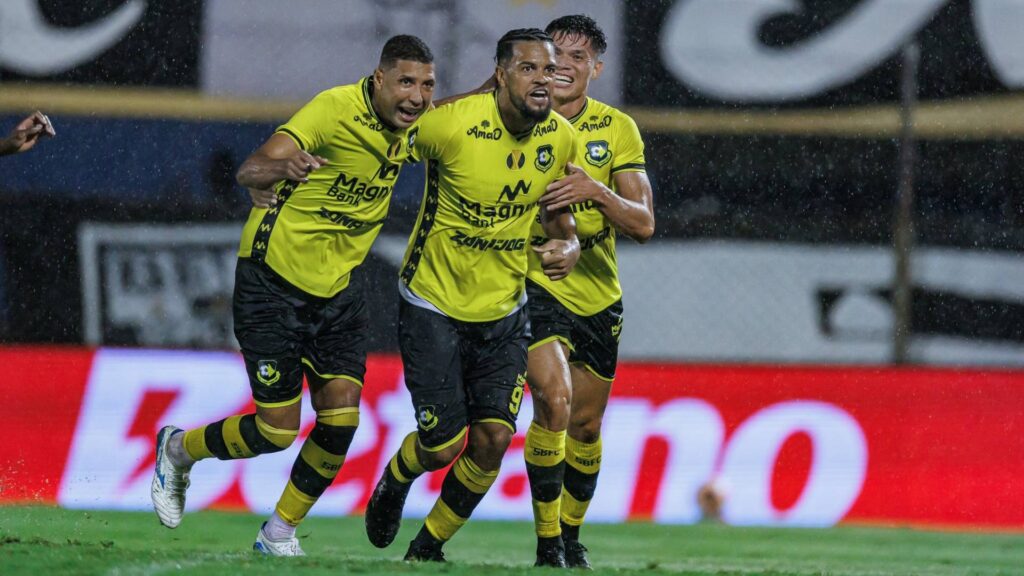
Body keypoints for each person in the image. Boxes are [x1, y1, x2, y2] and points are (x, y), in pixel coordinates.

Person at [149, 35, 436, 556]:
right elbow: (250, 169)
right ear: (379, 80)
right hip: (271, 282)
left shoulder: (416, 125)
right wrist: (282, 168)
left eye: (427, 85)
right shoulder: (333, 110)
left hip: (338, 292)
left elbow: (468, 108)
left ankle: (278, 533)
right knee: (277, 432)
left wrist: (507, 82)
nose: (417, 96)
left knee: (342, 419)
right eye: (406, 82)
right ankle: (177, 450)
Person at [363, 28, 581, 565]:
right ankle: (397, 477)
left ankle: (426, 548)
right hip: (432, 303)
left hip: (505, 310)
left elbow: (559, 216)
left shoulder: (561, 139)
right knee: (441, 445)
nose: (542, 80)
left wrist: (569, 243)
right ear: (501, 74)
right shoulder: (451, 125)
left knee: (490, 440)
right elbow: (380, 147)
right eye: (527, 69)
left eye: (548, 71)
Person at [522, 15, 655, 569]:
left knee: (585, 423)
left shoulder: (617, 128)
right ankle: (547, 541)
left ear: (595, 69)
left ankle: (570, 536)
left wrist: (597, 192)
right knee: (554, 403)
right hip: (532, 283)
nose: (565, 67)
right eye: (557, 56)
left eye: (579, 58)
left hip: (597, 296)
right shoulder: (516, 118)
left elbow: (644, 222)